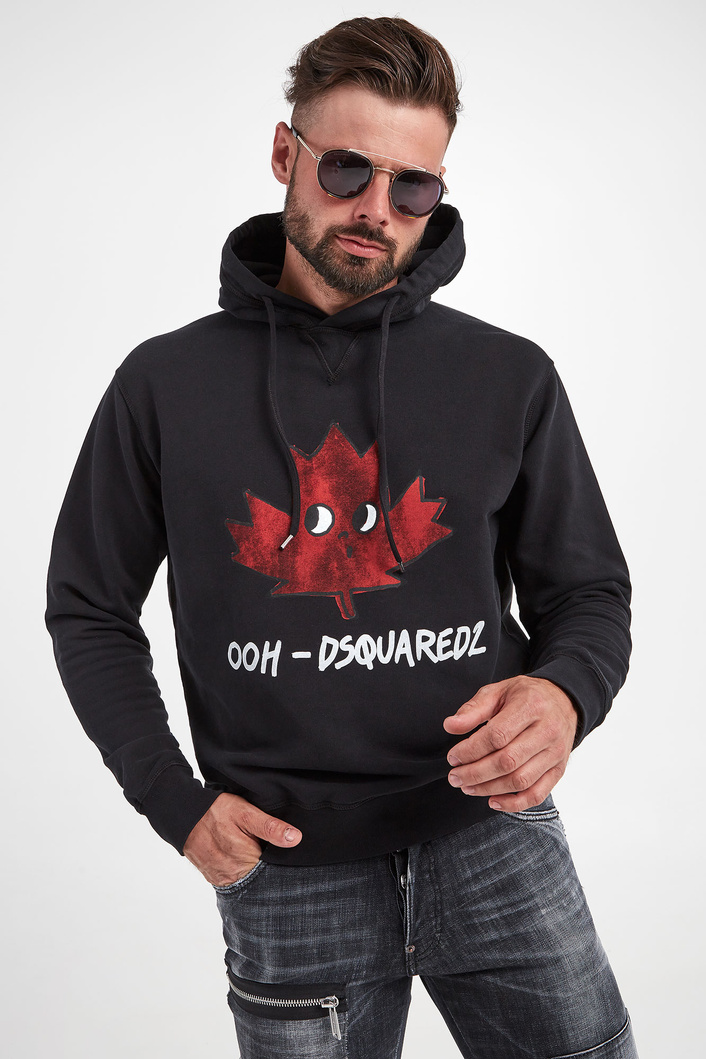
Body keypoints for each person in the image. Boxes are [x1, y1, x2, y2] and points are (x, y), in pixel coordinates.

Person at [46, 16, 638, 1059]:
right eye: (348, 169)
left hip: (492, 835)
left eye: (414, 187)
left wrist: (564, 694)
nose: (376, 210)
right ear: (287, 153)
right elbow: (89, 607)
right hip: (285, 866)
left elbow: (586, 592)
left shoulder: (508, 376)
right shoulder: (163, 385)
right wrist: (176, 805)